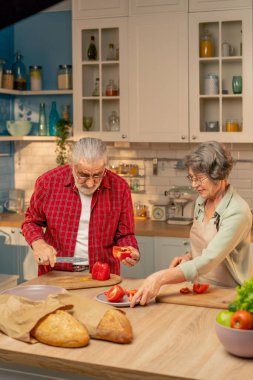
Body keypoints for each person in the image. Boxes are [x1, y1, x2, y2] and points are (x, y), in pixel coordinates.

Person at [131, 141, 253, 307]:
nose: (194, 184)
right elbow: (205, 244)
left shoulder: (237, 211)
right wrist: (189, 256)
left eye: (199, 179)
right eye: (191, 178)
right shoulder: (201, 201)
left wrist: (159, 278)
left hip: (228, 294)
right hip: (200, 289)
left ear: (219, 175)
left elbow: (210, 259)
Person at [22, 137, 140, 276]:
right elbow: (31, 222)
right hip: (56, 271)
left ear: (105, 166)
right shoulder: (48, 183)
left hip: (102, 273)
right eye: (83, 175)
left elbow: (125, 233)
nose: (90, 183)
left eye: (97, 175)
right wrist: (39, 244)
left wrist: (130, 249)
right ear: (72, 165)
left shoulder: (120, 188)